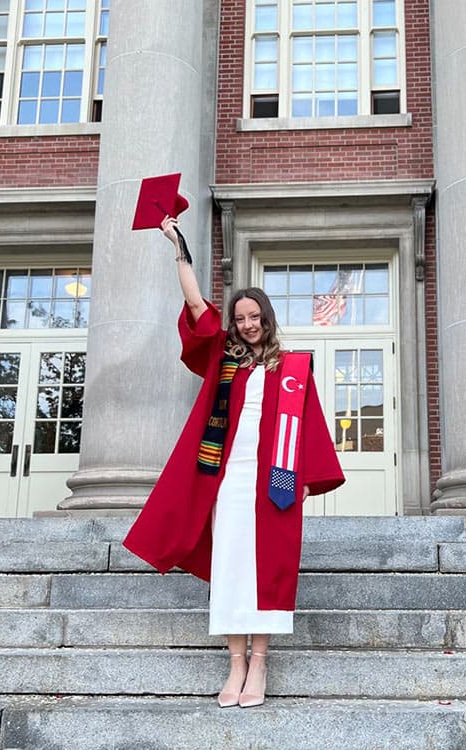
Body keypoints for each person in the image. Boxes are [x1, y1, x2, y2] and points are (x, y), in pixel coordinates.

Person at [123, 215, 345, 708]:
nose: (246, 325)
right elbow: (196, 304)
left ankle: (260, 662)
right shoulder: (224, 356)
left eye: (253, 318)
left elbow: (307, 425)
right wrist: (179, 249)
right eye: (240, 318)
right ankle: (235, 662)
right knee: (231, 566)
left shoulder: (293, 369)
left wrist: (306, 478)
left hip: (277, 480)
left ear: (267, 318)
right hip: (226, 478)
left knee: (269, 567)